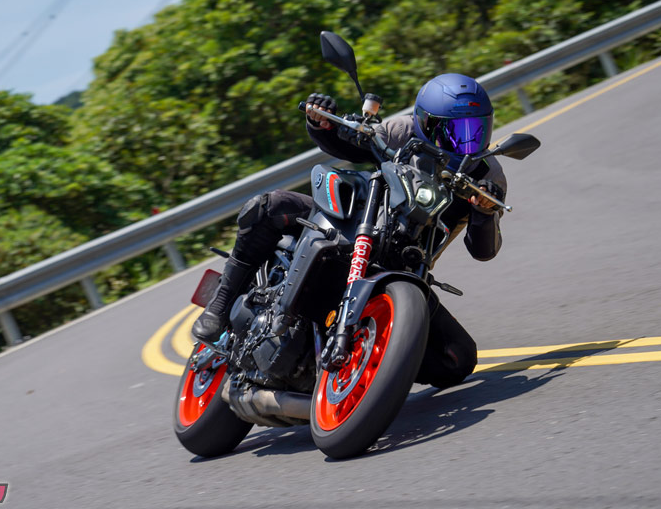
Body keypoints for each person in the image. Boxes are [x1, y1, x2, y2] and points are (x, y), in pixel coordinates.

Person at [192, 73, 507, 388]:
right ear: (425, 123)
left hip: (404, 266)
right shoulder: (403, 132)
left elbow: (484, 251)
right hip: (356, 226)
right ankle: (219, 308)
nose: (467, 144)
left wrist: (485, 211)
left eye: (477, 131)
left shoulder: (487, 174)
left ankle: (369, 374)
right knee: (270, 206)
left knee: (457, 358)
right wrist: (323, 123)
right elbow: (353, 146)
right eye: (455, 132)